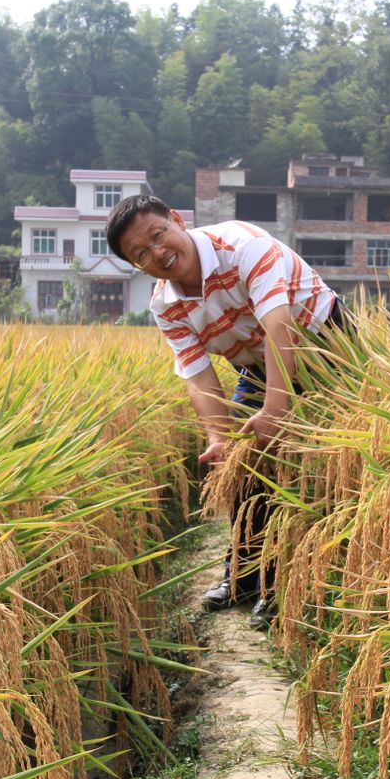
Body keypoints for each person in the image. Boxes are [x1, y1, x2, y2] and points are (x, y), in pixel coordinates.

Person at [105, 195, 344, 626]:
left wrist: (275, 408)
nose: (157, 253)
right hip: (256, 361)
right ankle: (245, 578)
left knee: (308, 464)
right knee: (243, 465)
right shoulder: (166, 305)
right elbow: (198, 377)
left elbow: (279, 326)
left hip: (324, 343)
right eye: (141, 254)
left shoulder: (243, 246)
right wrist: (219, 437)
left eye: (158, 236)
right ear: (136, 266)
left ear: (177, 220)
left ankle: (287, 588)